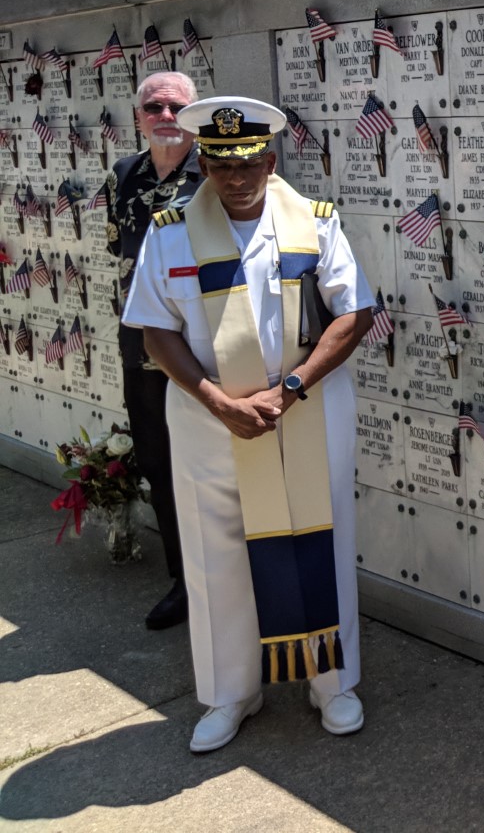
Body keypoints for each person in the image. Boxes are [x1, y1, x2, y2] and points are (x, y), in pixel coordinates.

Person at [122, 96, 374, 753]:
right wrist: (219, 402)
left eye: (249, 163)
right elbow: (155, 331)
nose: (237, 178)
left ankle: (332, 683)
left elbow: (354, 313)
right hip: (210, 418)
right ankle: (231, 692)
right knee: (216, 554)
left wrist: (290, 388)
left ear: (270, 160)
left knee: (321, 535)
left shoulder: (315, 224)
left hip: (306, 408)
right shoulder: (170, 233)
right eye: (223, 165)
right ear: (204, 165)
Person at [106, 71, 205, 629]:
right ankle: (184, 582)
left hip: (198, 346)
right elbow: (120, 249)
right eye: (154, 107)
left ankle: (228, 579)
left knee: (211, 465)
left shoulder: (216, 171)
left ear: (193, 114)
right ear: (138, 116)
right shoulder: (124, 173)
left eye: (176, 107)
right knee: (159, 465)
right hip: (140, 345)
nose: (165, 116)